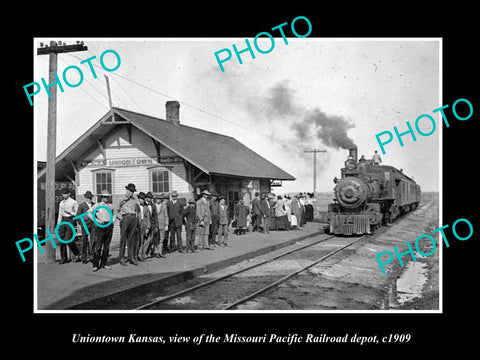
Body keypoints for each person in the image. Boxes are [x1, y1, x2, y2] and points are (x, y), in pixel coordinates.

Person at [88, 189, 115, 271]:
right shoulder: (97, 205)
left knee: (106, 247)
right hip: (100, 227)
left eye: (107, 197)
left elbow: (115, 214)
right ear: (101, 197)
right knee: (98, 246)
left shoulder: (111, 206)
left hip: (109, 227)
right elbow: (89, 213)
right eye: (104, 197)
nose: (106, 199)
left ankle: (104, 263)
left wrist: (113, 221)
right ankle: (96, 265)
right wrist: (96, 220)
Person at [57, 187, 81, 264]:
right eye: (63, 194)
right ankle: (64, 258)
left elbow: (77, 214)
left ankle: (77, 253)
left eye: (66, 193)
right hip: (63, 220)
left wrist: (70, 212)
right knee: (61, 240)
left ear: (69, 193)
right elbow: (60, 214)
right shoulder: (61, 203)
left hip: (70, 220)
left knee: (68, 239)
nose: (64, 195)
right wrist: (58, 225)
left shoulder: (73, 202)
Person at [117, 183, 138, 266]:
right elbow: (116, 210)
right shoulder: (121, 199)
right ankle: (121, 258)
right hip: (125, 218)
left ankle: (131, 257)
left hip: (133, 219)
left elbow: (136, 210)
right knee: (123, 239)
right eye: (130, 191)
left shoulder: (134, 199)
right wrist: (121, 218)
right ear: (127, 190)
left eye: (133, 191)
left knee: (131, 239)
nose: (132, 193)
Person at [76, 190, 95, 264]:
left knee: (93, 240)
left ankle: (92, 256)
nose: (89, 199)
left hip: (93, 225)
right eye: (88, 197)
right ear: (85, 198)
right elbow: (78, 216)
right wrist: (82, 223)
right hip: (85, 225)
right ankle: (84, 258)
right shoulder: (82, 205)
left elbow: (96, 214)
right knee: (84, 240)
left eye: (90, 197)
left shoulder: (94, 205)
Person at [136, 192, 151, 262]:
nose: (142, 200)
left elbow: (148, 218)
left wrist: (148, 227)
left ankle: (141, 255)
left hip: (144, 224)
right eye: (141, 199)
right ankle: (135, 255)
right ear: (138, 199)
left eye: (143, 199)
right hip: (137, 224)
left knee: (143, 240)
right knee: (137, 240)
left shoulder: (146, 207)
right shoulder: (135, 206)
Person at [152, 194, 168, 258]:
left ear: (161, 199)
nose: (158, 200)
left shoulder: (164, 206)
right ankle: (156, 252)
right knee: (156, 239)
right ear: (156, 199)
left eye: (159, 199)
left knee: (162, 238)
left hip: (162, 224)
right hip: (155, 224)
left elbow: (166, 215)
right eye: (157, 199)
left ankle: (160, 252)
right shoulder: (153, 206)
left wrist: (166, 224)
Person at [144, 191, 157, 258]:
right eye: (148, 198)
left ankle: (148, 252)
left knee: (151, 239)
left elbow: (155, 216)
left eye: (150, 198)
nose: (149, 199)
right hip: (145, 225)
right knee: (146, 239)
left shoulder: (153, 206)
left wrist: (156, 226)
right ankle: (144, 253)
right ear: (146, 198)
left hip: (152, 224)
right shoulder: (143, 205)